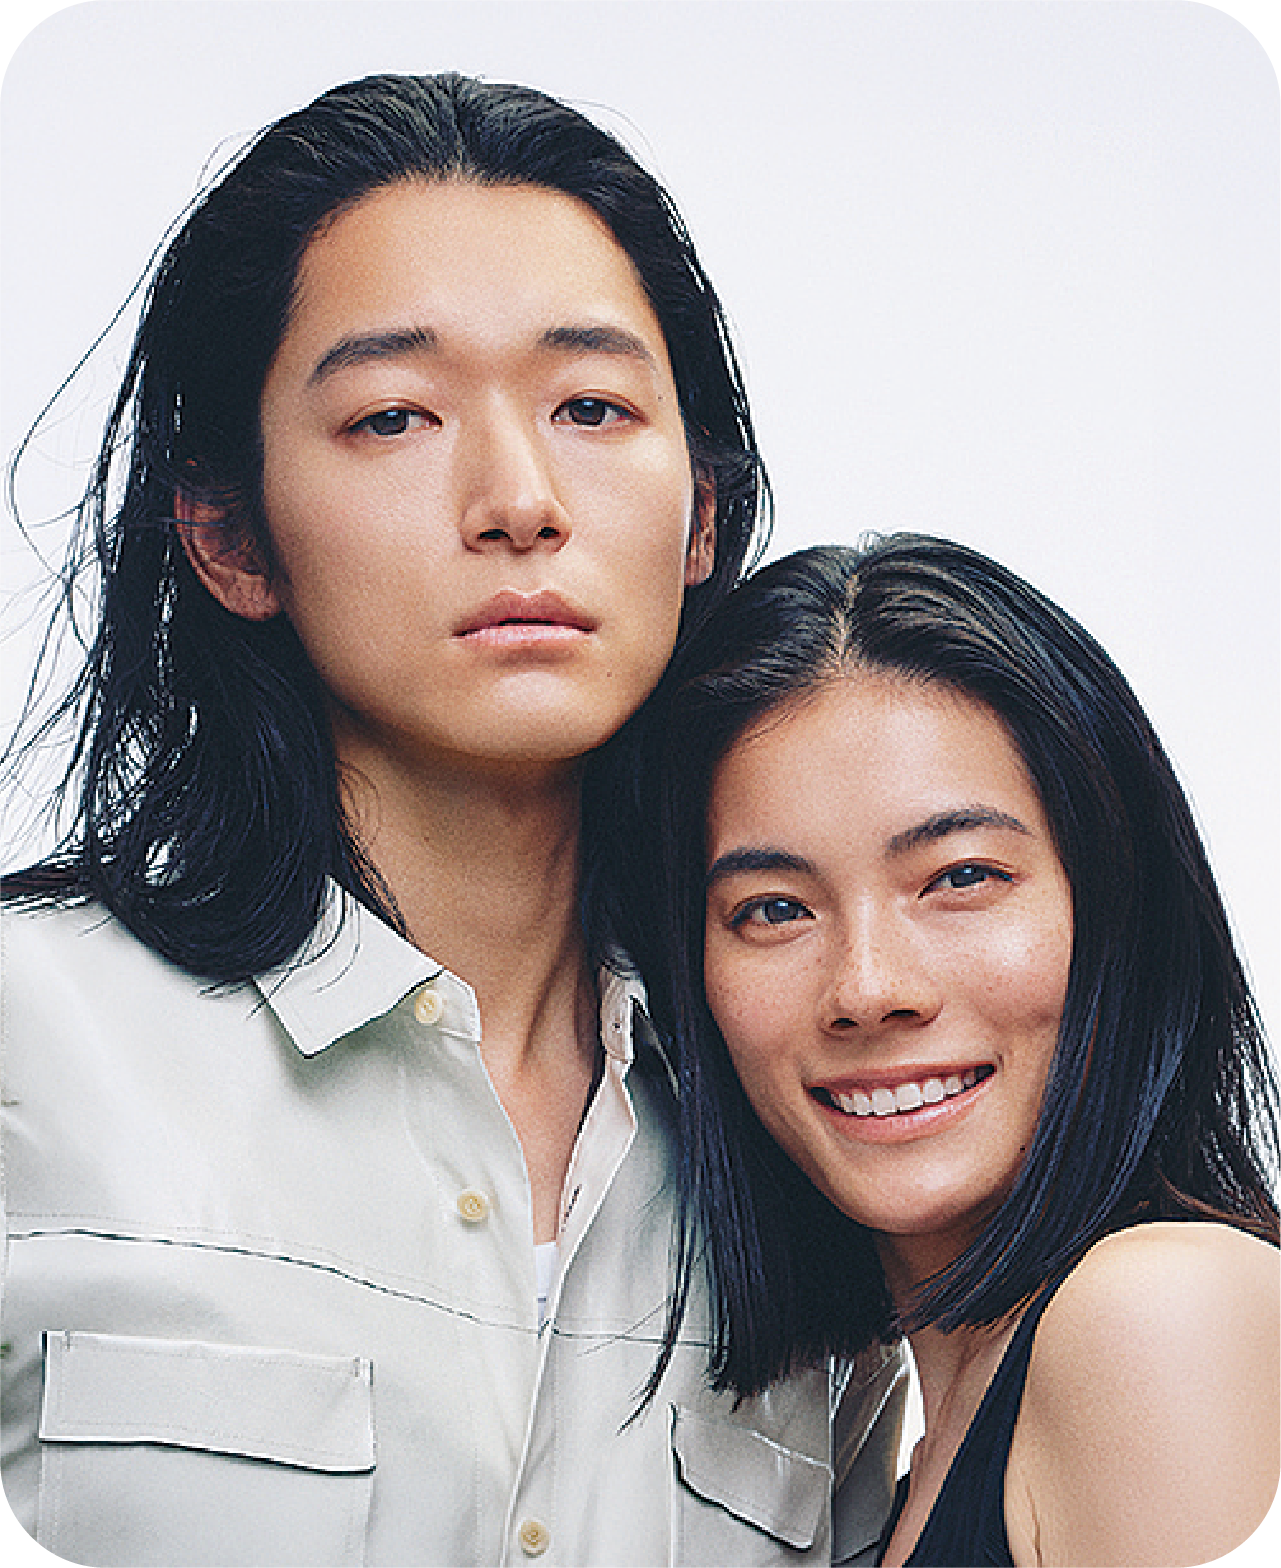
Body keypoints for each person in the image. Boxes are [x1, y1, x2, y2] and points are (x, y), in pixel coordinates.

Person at [0, 74, 905, 1568]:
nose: (519, 500)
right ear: (229, 534)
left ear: (701, 514)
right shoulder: (35, 1036)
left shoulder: (809, 1130)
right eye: (394, 416)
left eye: (592, 406)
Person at [633, 533, 1281, 1567]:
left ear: (1118, 907)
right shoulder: (901, 1453)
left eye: (961, 877)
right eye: (774, 908)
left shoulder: (1154, 1315)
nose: (867, 988)